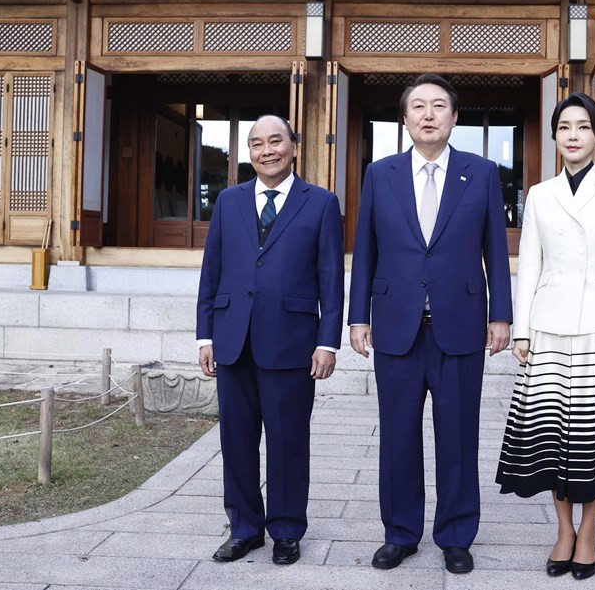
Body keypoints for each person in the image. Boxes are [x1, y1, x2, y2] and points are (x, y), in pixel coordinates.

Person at [348, 73, 512, 574]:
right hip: (396, 325)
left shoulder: (481, 173)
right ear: (404, 119)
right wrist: (357, 318)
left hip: (459, 325)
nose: (428, 114)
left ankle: (456, 535)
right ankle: (400, 533)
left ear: (454, 117)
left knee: (458, 435)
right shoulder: (380, 174)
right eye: (418, 106)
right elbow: (365, 249)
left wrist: (501, 314)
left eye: (439, 105)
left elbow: (496, 250)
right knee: (398, 436)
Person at [495, 93, 595, 580]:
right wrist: (522, 330)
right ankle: (563, 531)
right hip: (549, 325)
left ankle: (588, 532)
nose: (573, 135)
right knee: (552, 437)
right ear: (554, 135)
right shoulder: (540, 194)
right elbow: (529, 266)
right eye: (564, 127)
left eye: (583, 127)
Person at [196, 115, 344, 566]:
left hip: (292, 342)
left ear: (294, 146)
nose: (267, 151)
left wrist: (327, 342)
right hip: (233, 339)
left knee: (288, 442)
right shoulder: (229, 201)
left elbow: (331, 279)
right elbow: (212, 272)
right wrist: (205, 335)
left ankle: (285, 530)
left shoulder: (321, 203)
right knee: (237, 441)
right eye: (257, 144)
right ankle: (244, 529)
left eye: (275, 141)